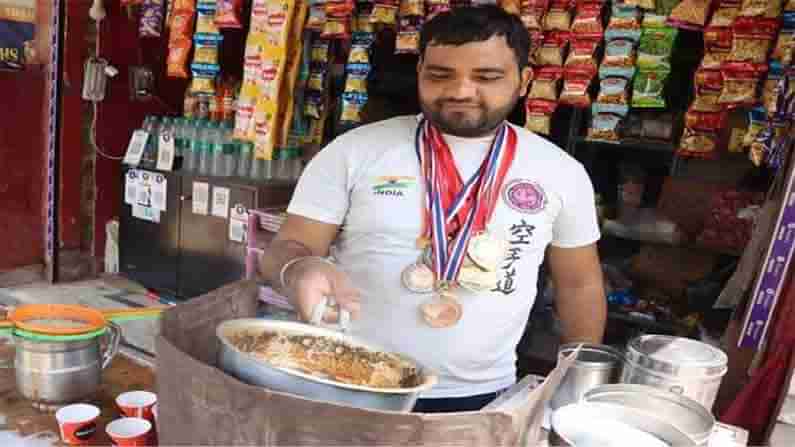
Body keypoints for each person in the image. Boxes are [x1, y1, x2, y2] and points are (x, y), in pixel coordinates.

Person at [260, 6, 606, 413]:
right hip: (345, 382)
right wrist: (297, 268)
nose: (461, 90)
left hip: (481, 399)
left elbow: (579, 285)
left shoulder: (561, 172)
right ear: (420, 71)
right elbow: (290, 245)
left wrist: (578, 388)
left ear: (525, 80)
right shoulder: (355, 151)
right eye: (440, 75)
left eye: (487, 77)